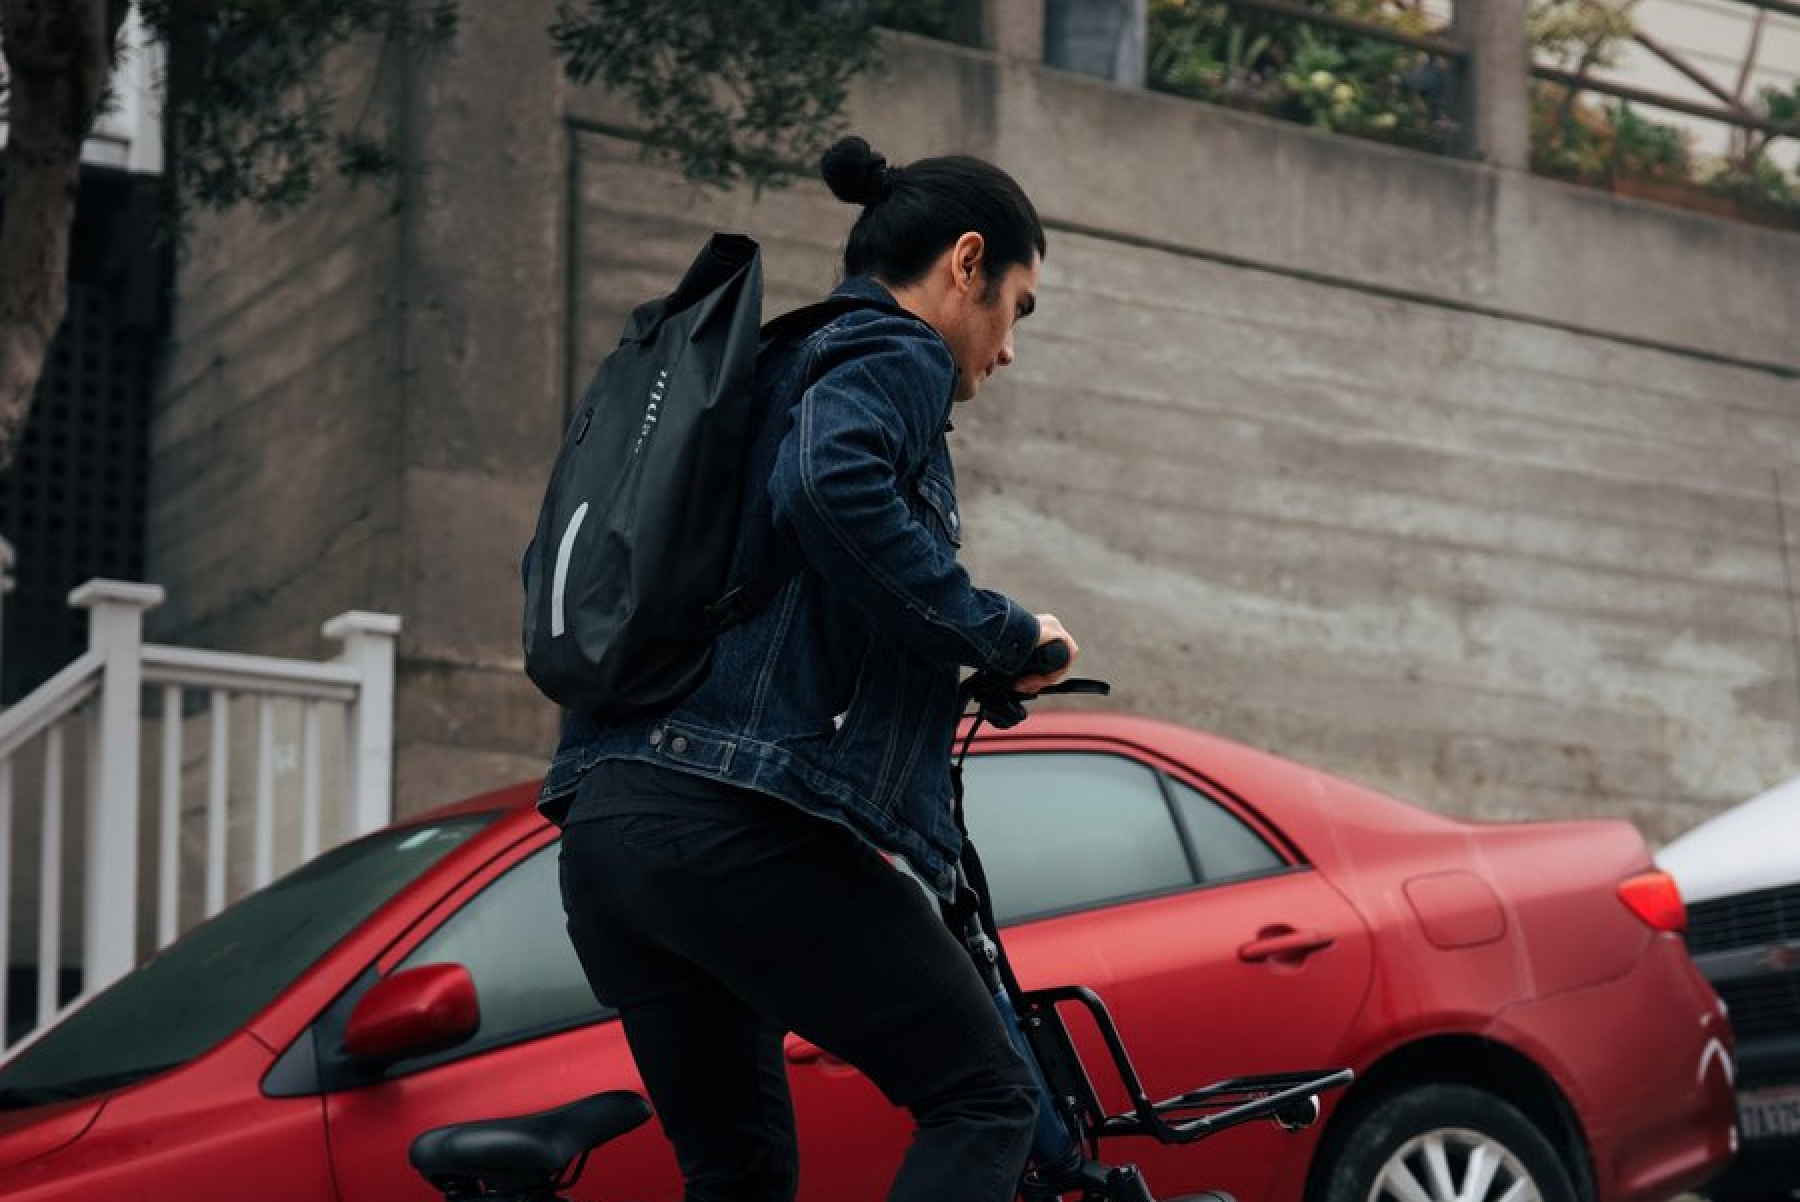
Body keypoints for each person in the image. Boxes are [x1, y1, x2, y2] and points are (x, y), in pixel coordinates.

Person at [549, 135, 1079, 1202]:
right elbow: (832, 489)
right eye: (1018, 307)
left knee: (737, 1172)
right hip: (722, 816)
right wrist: (1004, 635)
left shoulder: (760, 371)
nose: (1008, 348)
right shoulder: (896, 351)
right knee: (985, 1094)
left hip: (605, 824)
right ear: (966, 263)